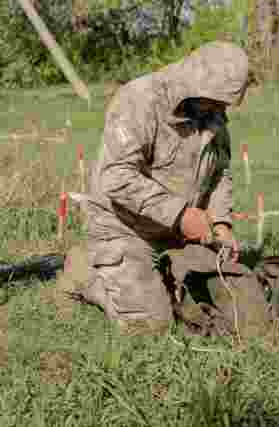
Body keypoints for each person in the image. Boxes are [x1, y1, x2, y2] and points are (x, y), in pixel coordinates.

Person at [59, 41, 250, 334]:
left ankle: (154, 275)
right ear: (193, 83)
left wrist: (221, 222)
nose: (219, 109)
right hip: (123, 226)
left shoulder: (210, 112)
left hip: (177, 231)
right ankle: (85, 274)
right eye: (213, 101)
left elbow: (219, 171)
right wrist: (182, 215)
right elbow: (117, 176)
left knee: (229, 303)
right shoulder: (140, 100)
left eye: (222, 103)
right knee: (151, 327)